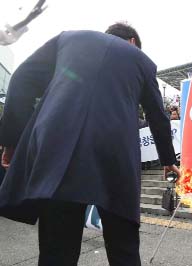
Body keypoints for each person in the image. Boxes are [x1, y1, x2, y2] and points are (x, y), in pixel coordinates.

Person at [0, 22, 180, 266]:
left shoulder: (68, 39)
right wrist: (169, 161)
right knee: (123, 245)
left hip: (58, 147)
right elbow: (158, 116)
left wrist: (12, 141)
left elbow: (21, 78)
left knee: (57, 249)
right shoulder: (142, 61)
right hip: (115, 153)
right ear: (133, 43)